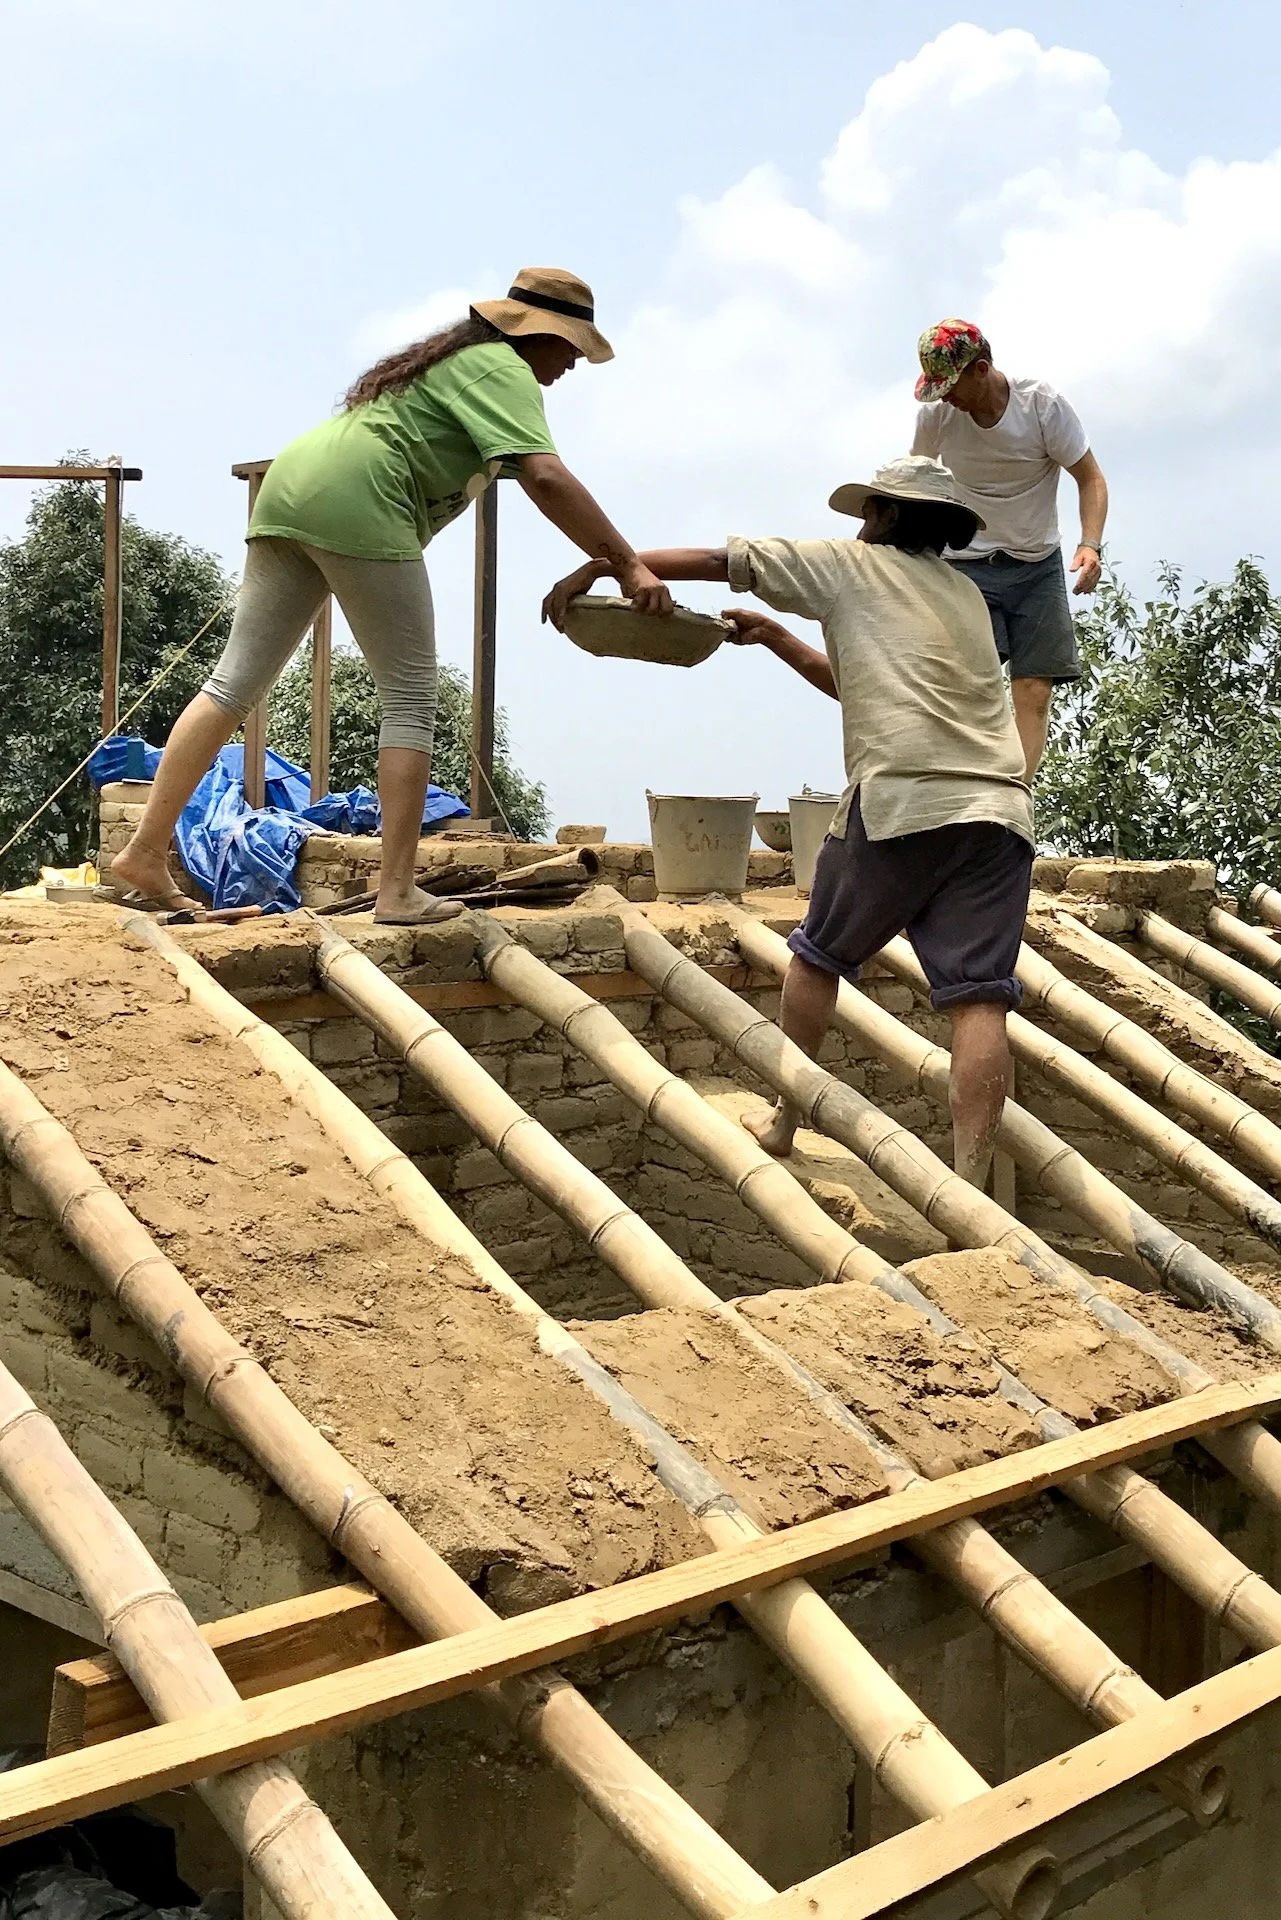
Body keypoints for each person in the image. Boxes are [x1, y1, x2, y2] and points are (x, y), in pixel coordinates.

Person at [111, 266, 671, 925]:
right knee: (409, 695)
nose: (574, 361)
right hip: (360, 499)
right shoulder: (502, 368)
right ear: (537, 334)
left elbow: (530, 475)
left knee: (232, 686)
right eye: (570, 345)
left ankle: (144, 850)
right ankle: (397, 891)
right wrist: (627, 564)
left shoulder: (458, 364)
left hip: (293, 486)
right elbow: (547, 477)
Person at [543, 455, 1034, 1189]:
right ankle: (970, 1178)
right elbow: (857, 687)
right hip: (998, 811)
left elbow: (721, 560)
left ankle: (783, 1119)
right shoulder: (963, 596)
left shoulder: (847, 566)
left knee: (817, 958)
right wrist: (776, 637)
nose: (860, 526)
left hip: (902, 801)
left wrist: (609, 564)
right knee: (979, 995)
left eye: (869, 513)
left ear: (888, 517)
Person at [910, 318, 1108, 780]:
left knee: (1035, 687)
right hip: (962, 563)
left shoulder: (1041, 406)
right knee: (964, 682)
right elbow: (915, 484)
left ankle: (1014, 792)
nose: (946, 397)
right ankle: (953, 786)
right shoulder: (938, 414)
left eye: (951, 385)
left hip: (1035, 564)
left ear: (980, 369)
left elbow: (1090, 478)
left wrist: (1090, 543)